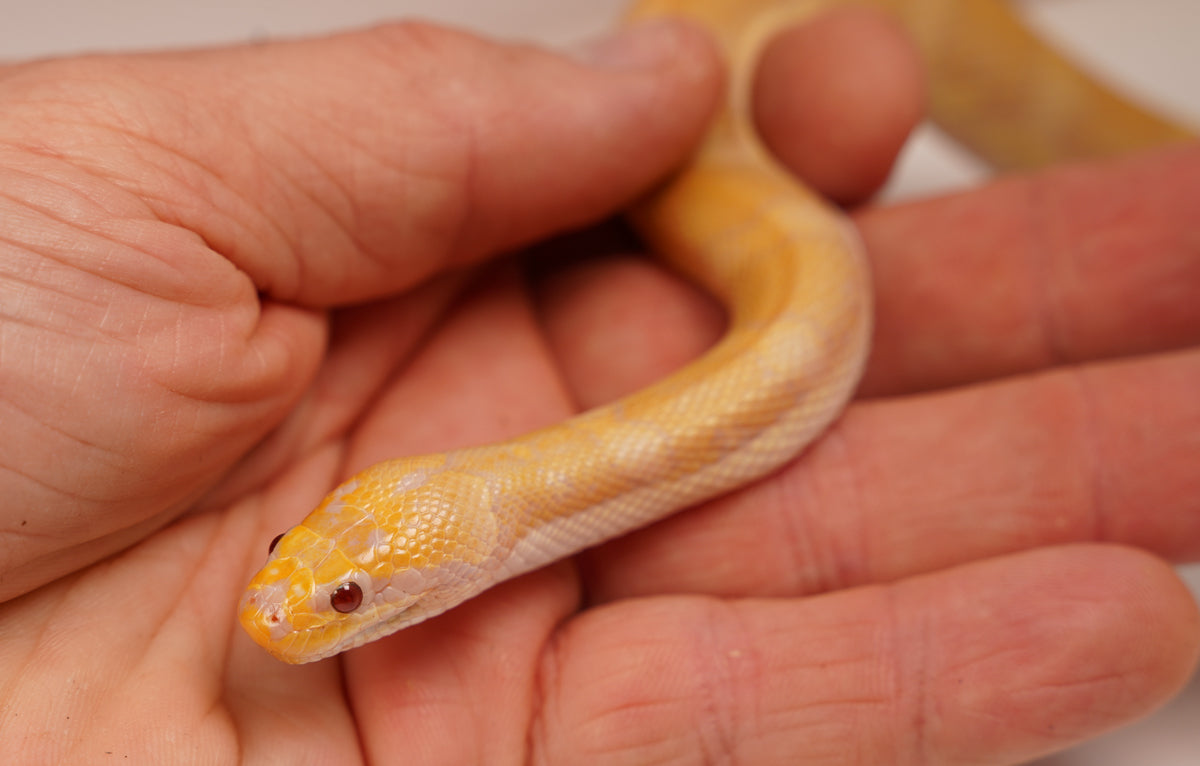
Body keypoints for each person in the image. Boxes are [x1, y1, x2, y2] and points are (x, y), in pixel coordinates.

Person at [0, 8, 1196, 763]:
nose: (284, 610)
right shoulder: (464, 518)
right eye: (313, 574)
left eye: (349, 592)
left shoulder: (482, 512)